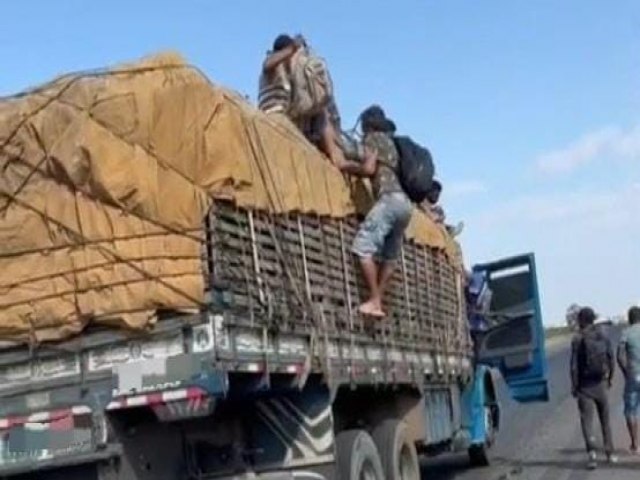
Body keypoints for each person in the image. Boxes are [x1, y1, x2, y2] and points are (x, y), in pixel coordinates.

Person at [338, 106, 412, 318]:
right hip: (405, 205)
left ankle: (374, 299)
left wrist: (346, 166)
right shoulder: (392, 144)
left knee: (362, 247)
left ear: (367, 125)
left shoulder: (373, 139)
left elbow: (369, 169)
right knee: (389, 257)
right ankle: (376, 301)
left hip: (388, 199)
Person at [570, 306, 617, 469]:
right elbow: (611, 359)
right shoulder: (602, 336)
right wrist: (610, 378)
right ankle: (610, 453)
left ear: (581, 320)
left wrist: (574, 386)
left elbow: (574, 366)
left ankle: (592, 455)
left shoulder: (577, 339)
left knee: (587, 422)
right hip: (601, 384)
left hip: (584, 387)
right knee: (605, 420)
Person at [617, 306, 640, 454]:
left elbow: (619, 356)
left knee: (630, 411)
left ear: (629, 318)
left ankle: (635, 445)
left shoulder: (625, 333)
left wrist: (626, 373)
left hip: (634, 375)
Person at [258, 34, 299, 115]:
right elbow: (267, 65)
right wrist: (292, 48)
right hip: (270, 116)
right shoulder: (274, 65)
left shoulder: (287, 74)